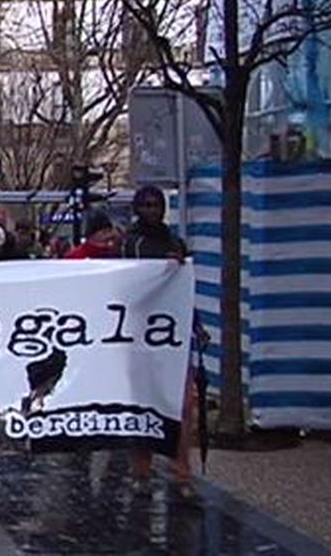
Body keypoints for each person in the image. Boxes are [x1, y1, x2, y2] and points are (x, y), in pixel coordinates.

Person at [120, 185, 194, 491]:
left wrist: (195, 325)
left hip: (172, 333)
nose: (152, 210)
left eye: (156, 204)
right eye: (146, 205)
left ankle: (181, 472)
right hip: (141, 335)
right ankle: (141, 470)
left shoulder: (175, 242)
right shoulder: (130, 243)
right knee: (144, 402)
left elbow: (182, 292)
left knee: (182, 405)